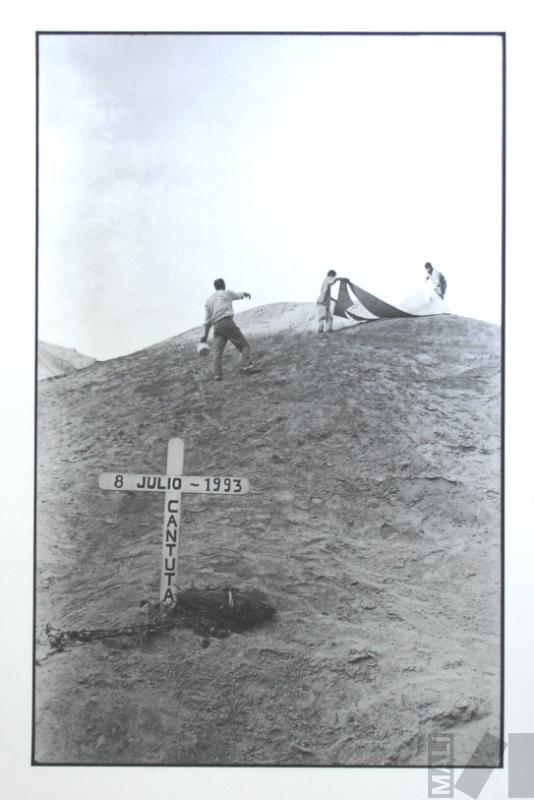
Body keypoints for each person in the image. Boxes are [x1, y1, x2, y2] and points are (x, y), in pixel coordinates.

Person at [200, 279, 255, 380]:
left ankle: (217, 375)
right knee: (244, 346)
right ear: (224, 285)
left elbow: (207, 322)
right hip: (227, 322)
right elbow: (238, 295)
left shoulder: (208, 301)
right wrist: (245, 294)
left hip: (216, 327)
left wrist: (205, 336)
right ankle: (245, 366)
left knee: (217, 352)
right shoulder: (227, 293)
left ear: (215, 287)